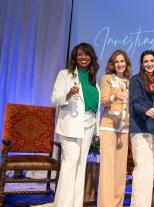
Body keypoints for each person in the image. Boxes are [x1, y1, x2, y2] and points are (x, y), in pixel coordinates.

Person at [51, 42, 100, 207]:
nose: (83, 57)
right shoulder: (65, 74)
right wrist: (67, 94)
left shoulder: (93, 79)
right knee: (70, 162)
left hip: (88, 126)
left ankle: (76, 203)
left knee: (81, 165)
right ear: (75, 57)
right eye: (80, 54)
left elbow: (95, 106)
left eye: (86, 54)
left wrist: (96, 131)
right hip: (70, 126)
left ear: (91, 57)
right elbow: (54, 99)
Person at [97, 50, 132, 207]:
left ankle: (117, 204)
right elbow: (103, 101)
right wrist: (114, 97)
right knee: (107, 170)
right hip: (109, 127)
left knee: (120, 171)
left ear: (126, 63)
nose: (119, 64)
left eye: (122, 61)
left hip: (124, 129)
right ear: (112, 64)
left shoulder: (130, 82)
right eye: (116, 61)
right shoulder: (107, 79)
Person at [129, 50, 154, 207]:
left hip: (153, 131)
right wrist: (146, 111)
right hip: (140, 129)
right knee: (142, 172)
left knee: (149, 174)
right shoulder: (136, 80)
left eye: (152, 61)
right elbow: (135, 103)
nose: (149, 64)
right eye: (146, 61)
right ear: (142, 64)